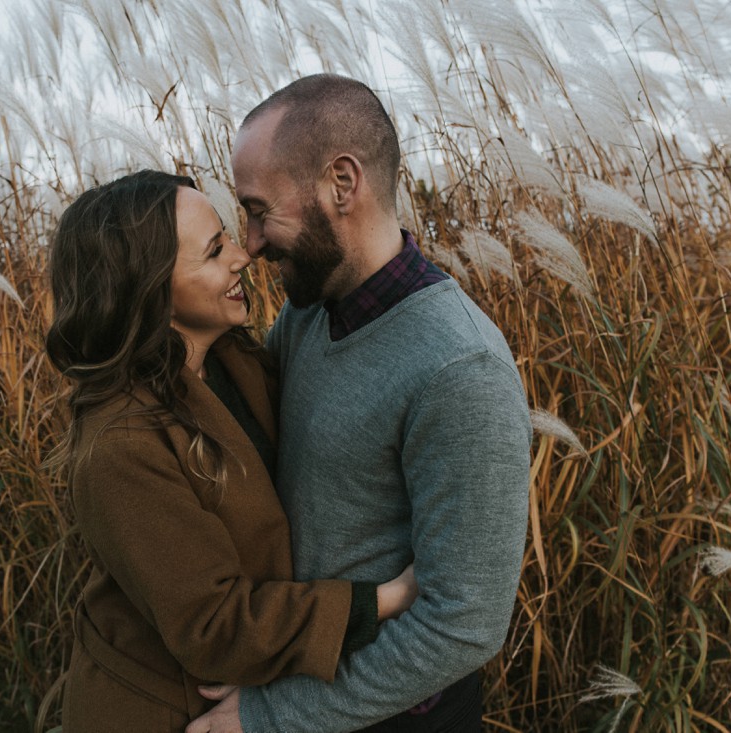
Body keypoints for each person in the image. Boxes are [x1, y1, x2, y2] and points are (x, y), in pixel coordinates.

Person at [187, 75, 532, 733]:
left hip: (389, 716)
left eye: (259, 210)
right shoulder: (309, 313)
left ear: (343, 183)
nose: (251, 242)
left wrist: (275, 714)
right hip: (296, 671)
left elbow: (464, 622)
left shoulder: (461, 367)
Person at [44, 170, 419, 732]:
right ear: (151, 291)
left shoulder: (232, 363)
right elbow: (214, 626)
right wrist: (390, 597)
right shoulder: (120, 444)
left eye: (228, 237)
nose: (242, 256)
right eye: (214, 251)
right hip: (172, 711)